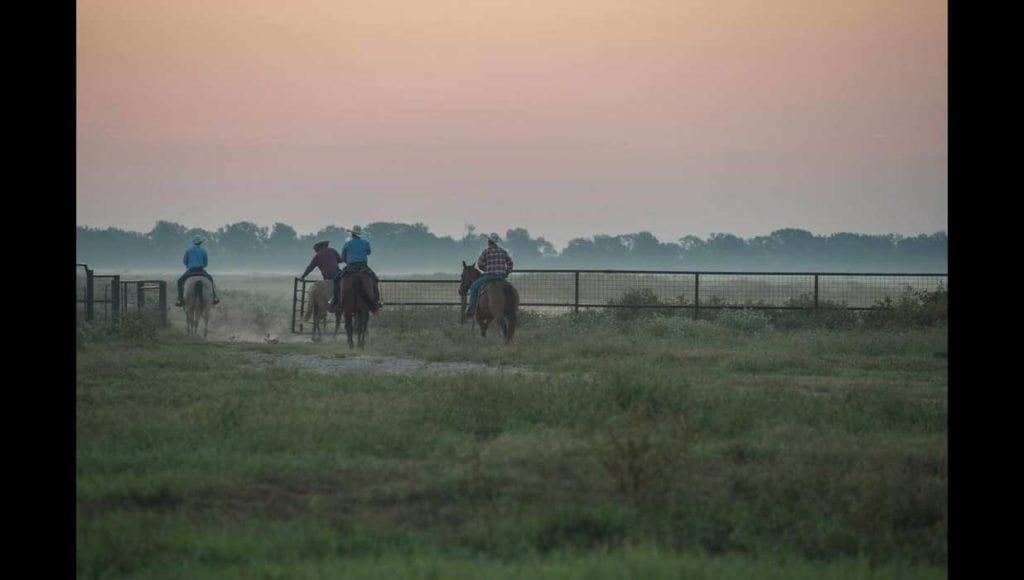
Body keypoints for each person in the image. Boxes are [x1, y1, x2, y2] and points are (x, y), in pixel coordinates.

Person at [465, 232, 513, 318]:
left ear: (489, 242)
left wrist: (486, 269)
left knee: (473, 287)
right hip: (501, 277)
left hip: (489, 276)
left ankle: (471, 309)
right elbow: (510, 263)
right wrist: (506, 272)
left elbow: (479, 264)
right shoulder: (503, 252)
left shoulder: (486, 252)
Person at [339, 225, 383, 309]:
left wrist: (348, 260)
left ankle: (335, 299)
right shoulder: (366, 243)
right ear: (359, 234)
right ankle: (376, 301)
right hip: (363, 266)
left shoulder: (347, 244)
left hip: (350, 266)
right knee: (375, 279)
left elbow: (343, 257)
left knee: (337, 279)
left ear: (352, 234)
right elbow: (368, 252)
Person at [176, 235, 220, 307]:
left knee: (179, 281)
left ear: (193, 242)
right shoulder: (204, 251)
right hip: (201, 271)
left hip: (191, 271)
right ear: (200, 243)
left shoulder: (188, 251)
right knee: (211, 279)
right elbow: (206, 264)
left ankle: (180, 299)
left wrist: (190, 263)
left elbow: (184, 262)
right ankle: (214, 297)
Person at [300, 240, 343, 307]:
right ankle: (338, 299)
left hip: (326, 276)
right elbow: (340, 260)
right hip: (336, 273)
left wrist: (303, 276)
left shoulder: (317, 256)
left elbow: (310, 268)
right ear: (325, 246)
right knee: (341, 284)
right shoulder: (332, 250)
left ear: (319, 247)